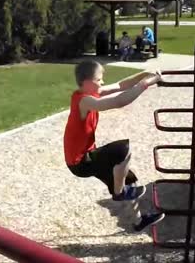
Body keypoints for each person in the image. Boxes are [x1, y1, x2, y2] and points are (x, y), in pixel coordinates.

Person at [63, 60, 165, 231]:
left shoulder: (90, 93)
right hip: (80, 162)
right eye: (99, 80)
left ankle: (138, 220)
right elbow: (118, 101)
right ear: (86, 82)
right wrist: (147, 83)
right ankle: (119, 193)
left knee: (127, 178)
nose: (102, 82)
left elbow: (120, 85)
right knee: (123, 150)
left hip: (86, 156)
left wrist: (144, 74)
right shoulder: (83, 101)